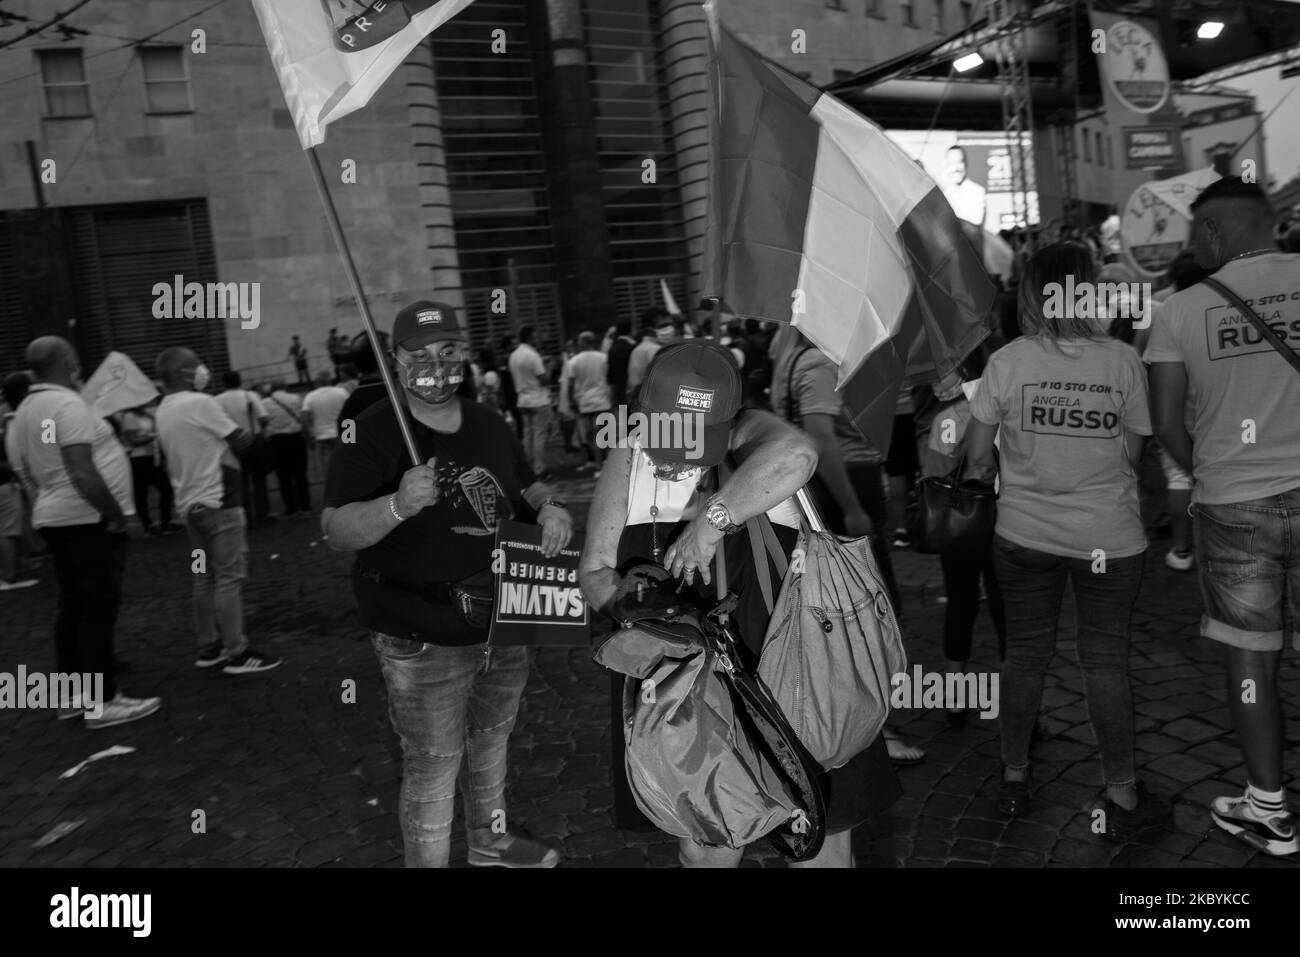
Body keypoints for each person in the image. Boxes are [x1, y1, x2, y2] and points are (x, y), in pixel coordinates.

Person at [579, 340, 901, 867]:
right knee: (708, 843)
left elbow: (799, 455)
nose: (684, 446)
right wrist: (635, 609)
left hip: (790, 662)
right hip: (687, 676)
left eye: (700, 433)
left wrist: (711, 523)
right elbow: (593, 570)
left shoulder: (750, 430)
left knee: (818, 840)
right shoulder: (629, 451)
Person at [323, 299, 572, 869]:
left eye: (449, 350)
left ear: (464, 352)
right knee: (434, 764)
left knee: (491, 742)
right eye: (421, 354)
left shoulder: (489, 421)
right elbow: (336, 530)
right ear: (396, 360)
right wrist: (395, 504)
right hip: (422, 633)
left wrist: (552, 505)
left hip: (506, 615)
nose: (437, 363)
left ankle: (488, 841)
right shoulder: (371, 432)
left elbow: (524, 484)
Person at [962, 242, 1170, 840]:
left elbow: (977, 458)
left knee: (1024, 655)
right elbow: (1132, 454)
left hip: (1024, 533)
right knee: (1105, 660)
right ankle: (1122, 790)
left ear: (1031, 293)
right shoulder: (1122, 361)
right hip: (1108, 535)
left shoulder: (1007, 361)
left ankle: (1013, 775)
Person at [1146, 177, 1300, 855]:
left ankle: (1268, 807)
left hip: (1235, 501)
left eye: (1192, 233)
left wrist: (1210, 469)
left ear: (1212, 232)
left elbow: (1167, 423)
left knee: (1251, 660)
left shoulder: (1180, 313)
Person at [769, 327, 924, 765]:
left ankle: (856, 716)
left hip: (837, 485)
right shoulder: (819, 362)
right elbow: (821, 437)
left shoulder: (794, 354)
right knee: (868, 610)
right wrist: (852, 506)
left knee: (849, 607)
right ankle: (874, 726)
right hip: (843, 487)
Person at [4, 336, 160, 727]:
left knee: (73, 606)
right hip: (84, 518)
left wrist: (48, 504)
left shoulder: (25, 409)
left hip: (56, 516)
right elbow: (81, 470)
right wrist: (117, 514)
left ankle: (72, 694)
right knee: (97, 607)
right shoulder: (67, 404)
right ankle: (102, 701)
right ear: (69, 360)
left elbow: (30, 470)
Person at [155, 347, 282, 675]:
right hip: (220, 505)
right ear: (184, 372)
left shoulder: (163, 409)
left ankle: (208, 645)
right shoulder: (200, 403)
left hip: (190, 508)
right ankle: (236, 652)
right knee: (229, 578)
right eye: (197, 364)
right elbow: (239, 439)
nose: (203, 368)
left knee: (203, 578)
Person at [921, 368, 1007, 723]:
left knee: (961, 602)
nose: (937, 385)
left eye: (944, 375)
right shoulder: (1008, 406)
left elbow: (935, 476)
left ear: (966, 372)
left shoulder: (947, 418)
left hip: (960, 525)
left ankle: (955, 697)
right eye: (934, 378)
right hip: (1007, 520)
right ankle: (1020, 701)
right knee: (1006, 608)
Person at [1148, 250, 1208, 572]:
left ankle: (1182, 550)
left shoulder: (1160, 307)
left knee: (1179, 477)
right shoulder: (1220, 307)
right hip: (1215, 408)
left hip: (1174, 404)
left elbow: (1144, 357)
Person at [216, 371, 273, 528]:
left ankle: (245, 516)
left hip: (231, 444)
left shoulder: (217, 400)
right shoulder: (250, 395)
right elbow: (264, 417)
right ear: (239, 381)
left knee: (240, 482)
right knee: (259, 479)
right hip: (253, 440)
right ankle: (262, 514)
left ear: (223, 383)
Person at [117, 397, 177, 535]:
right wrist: (151, 436)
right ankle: (148, 525)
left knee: (166, 489)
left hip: (152, 456)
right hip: (139, 458)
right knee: (142, 493)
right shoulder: (129, 416)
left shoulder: (146, 415)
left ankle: (165, 521)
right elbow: (132, 440)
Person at [559, 331, 611, 473]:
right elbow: (608, 378)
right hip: (603, 400)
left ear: (583, 343)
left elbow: (570, 384)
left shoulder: (574, 361)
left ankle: (598, 464)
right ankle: (607, 461)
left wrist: (571, 401)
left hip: (585, 403)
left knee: (590, 436)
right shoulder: (603, 358)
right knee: (604, 434)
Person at [508, 325, 553, 478]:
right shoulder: (533, 356)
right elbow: (544, 379)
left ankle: (527, 467)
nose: (537, 339)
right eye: (535, 336)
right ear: (529, 337)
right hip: (538, 399)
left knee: (528, 435)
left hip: (522, 399)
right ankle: (540, 468)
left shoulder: (513, 355)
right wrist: (550, 367)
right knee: (540, 435)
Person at [263, 381, 312, 516]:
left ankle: (291, 507)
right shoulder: (296, 398)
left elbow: (263, 422)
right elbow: (303, 418)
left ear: (271, 389)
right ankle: (305, 504)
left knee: (283, 475)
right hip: (296, 438)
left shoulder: (265, 402)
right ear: (285, 387)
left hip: (277, 441)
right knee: (300, 473)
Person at [626, 310, 672, 399]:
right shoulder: (654, 350)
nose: (669, 329)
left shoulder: (638, 349)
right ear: (650, 328)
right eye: (663, 325)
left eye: (670, 324)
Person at [302, 371, 349, 457]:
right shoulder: (342, 392)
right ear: (329, 380)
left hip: (321, 436)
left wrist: (309, 438)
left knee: (326, 467)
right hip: (344, 433)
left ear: (317, 382)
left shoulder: (310, 396)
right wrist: (352, 435)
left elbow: (305, 419)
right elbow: (351, 412)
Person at [940, 144, 988, 228]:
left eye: (959, 162)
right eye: (952, 163)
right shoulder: (945, 195)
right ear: (946, 165)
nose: (956, 168)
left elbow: (975, 222)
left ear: (965, 164)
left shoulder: (977, 191)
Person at [605, 320, 636, 409]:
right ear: (630, 330)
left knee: (624, 421)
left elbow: (610, 375)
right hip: (633, 394)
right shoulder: (633, 346)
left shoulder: (612, 348)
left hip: (619, 394)